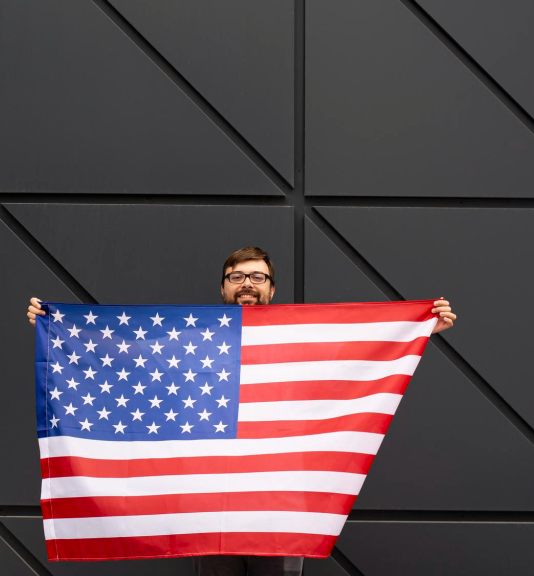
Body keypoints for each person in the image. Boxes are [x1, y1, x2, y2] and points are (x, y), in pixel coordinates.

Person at [26, 245, 456, 576]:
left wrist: (422, 327)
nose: (247, 283)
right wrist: (54, 325)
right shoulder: (188, 341)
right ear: (223, 286)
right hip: (210, 507)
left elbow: (365, 349)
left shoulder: (304, 339)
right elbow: (124, 352)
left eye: (257, 276)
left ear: (272, 288)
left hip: (279, 505)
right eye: (237, 276)